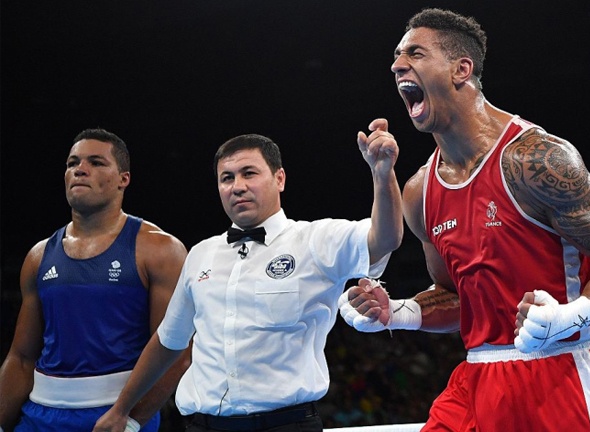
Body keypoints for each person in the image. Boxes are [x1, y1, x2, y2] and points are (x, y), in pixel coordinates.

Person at [338, 8, 590, 432]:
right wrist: (395, 311)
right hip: (477, 377)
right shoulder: (419, 192)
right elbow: (454, 295)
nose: (397, 66)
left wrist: (571, 313)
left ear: (461, 69)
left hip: (559, 373)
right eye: (396, 56)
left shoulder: (536, 159)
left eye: (415, 53)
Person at [93, 125, 404, 432]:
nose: (237, 186)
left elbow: (385, 238)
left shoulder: (316, 240)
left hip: (286, 424)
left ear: (279, 178)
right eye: (226, 178)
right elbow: (168, 342)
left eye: (249, 173)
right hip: (204, 426)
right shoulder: (201, 254)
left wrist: (382, 173)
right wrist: (123, 411)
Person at [0, 129, 190, 432]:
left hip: (115, 413)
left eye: (96, 162)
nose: (80, 169)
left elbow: (177, 352)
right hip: (38, 416)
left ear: (123, 179)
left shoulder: (160, 251)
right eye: (72, 162)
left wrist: (130, 420)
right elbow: (22, 358)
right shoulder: (38, 256)